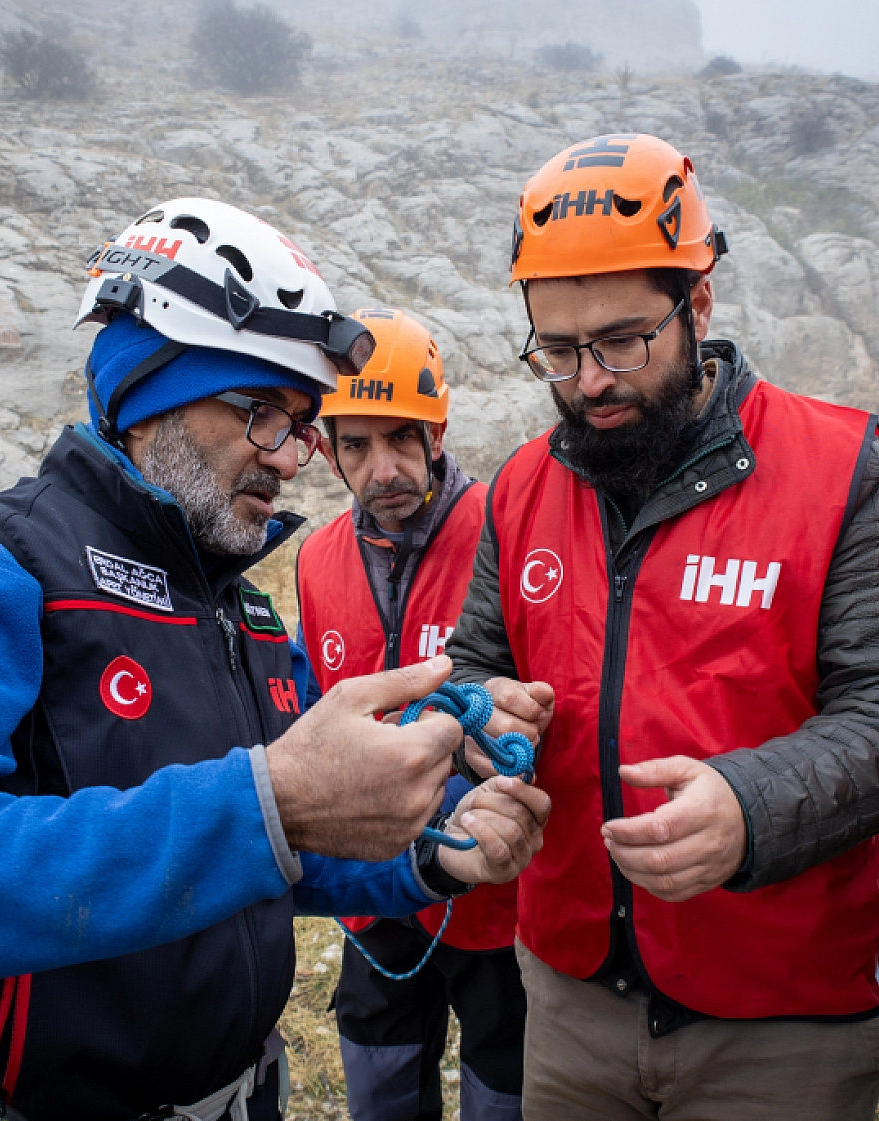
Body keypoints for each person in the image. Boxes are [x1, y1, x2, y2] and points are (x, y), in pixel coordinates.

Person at [0, 198, 551, 1121]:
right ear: (154, 390)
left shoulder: (240, 610)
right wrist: (269, 800)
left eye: (301, 426)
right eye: (262, 412)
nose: (290, 460)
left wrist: (437, 850)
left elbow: (280, 844)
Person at [443, 135, 879, 1121]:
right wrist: (478, 715)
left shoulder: (839, 468)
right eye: (558, 351)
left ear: (700, 306)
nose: (590, 381)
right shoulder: (519, 487)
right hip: (567, 991)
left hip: (780, 1013)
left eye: (622, 341)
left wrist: (751, 807)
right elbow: (475, 661)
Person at [294, 308, 526, 1121]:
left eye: (401, 438)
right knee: (381, 1083)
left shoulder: (504, 533)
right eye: (356, 445)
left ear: (437, 432)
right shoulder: (318, 559)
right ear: (329, 450)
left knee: (504, 1088)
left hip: (492, 892)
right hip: (372, 885)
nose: (382, 468)